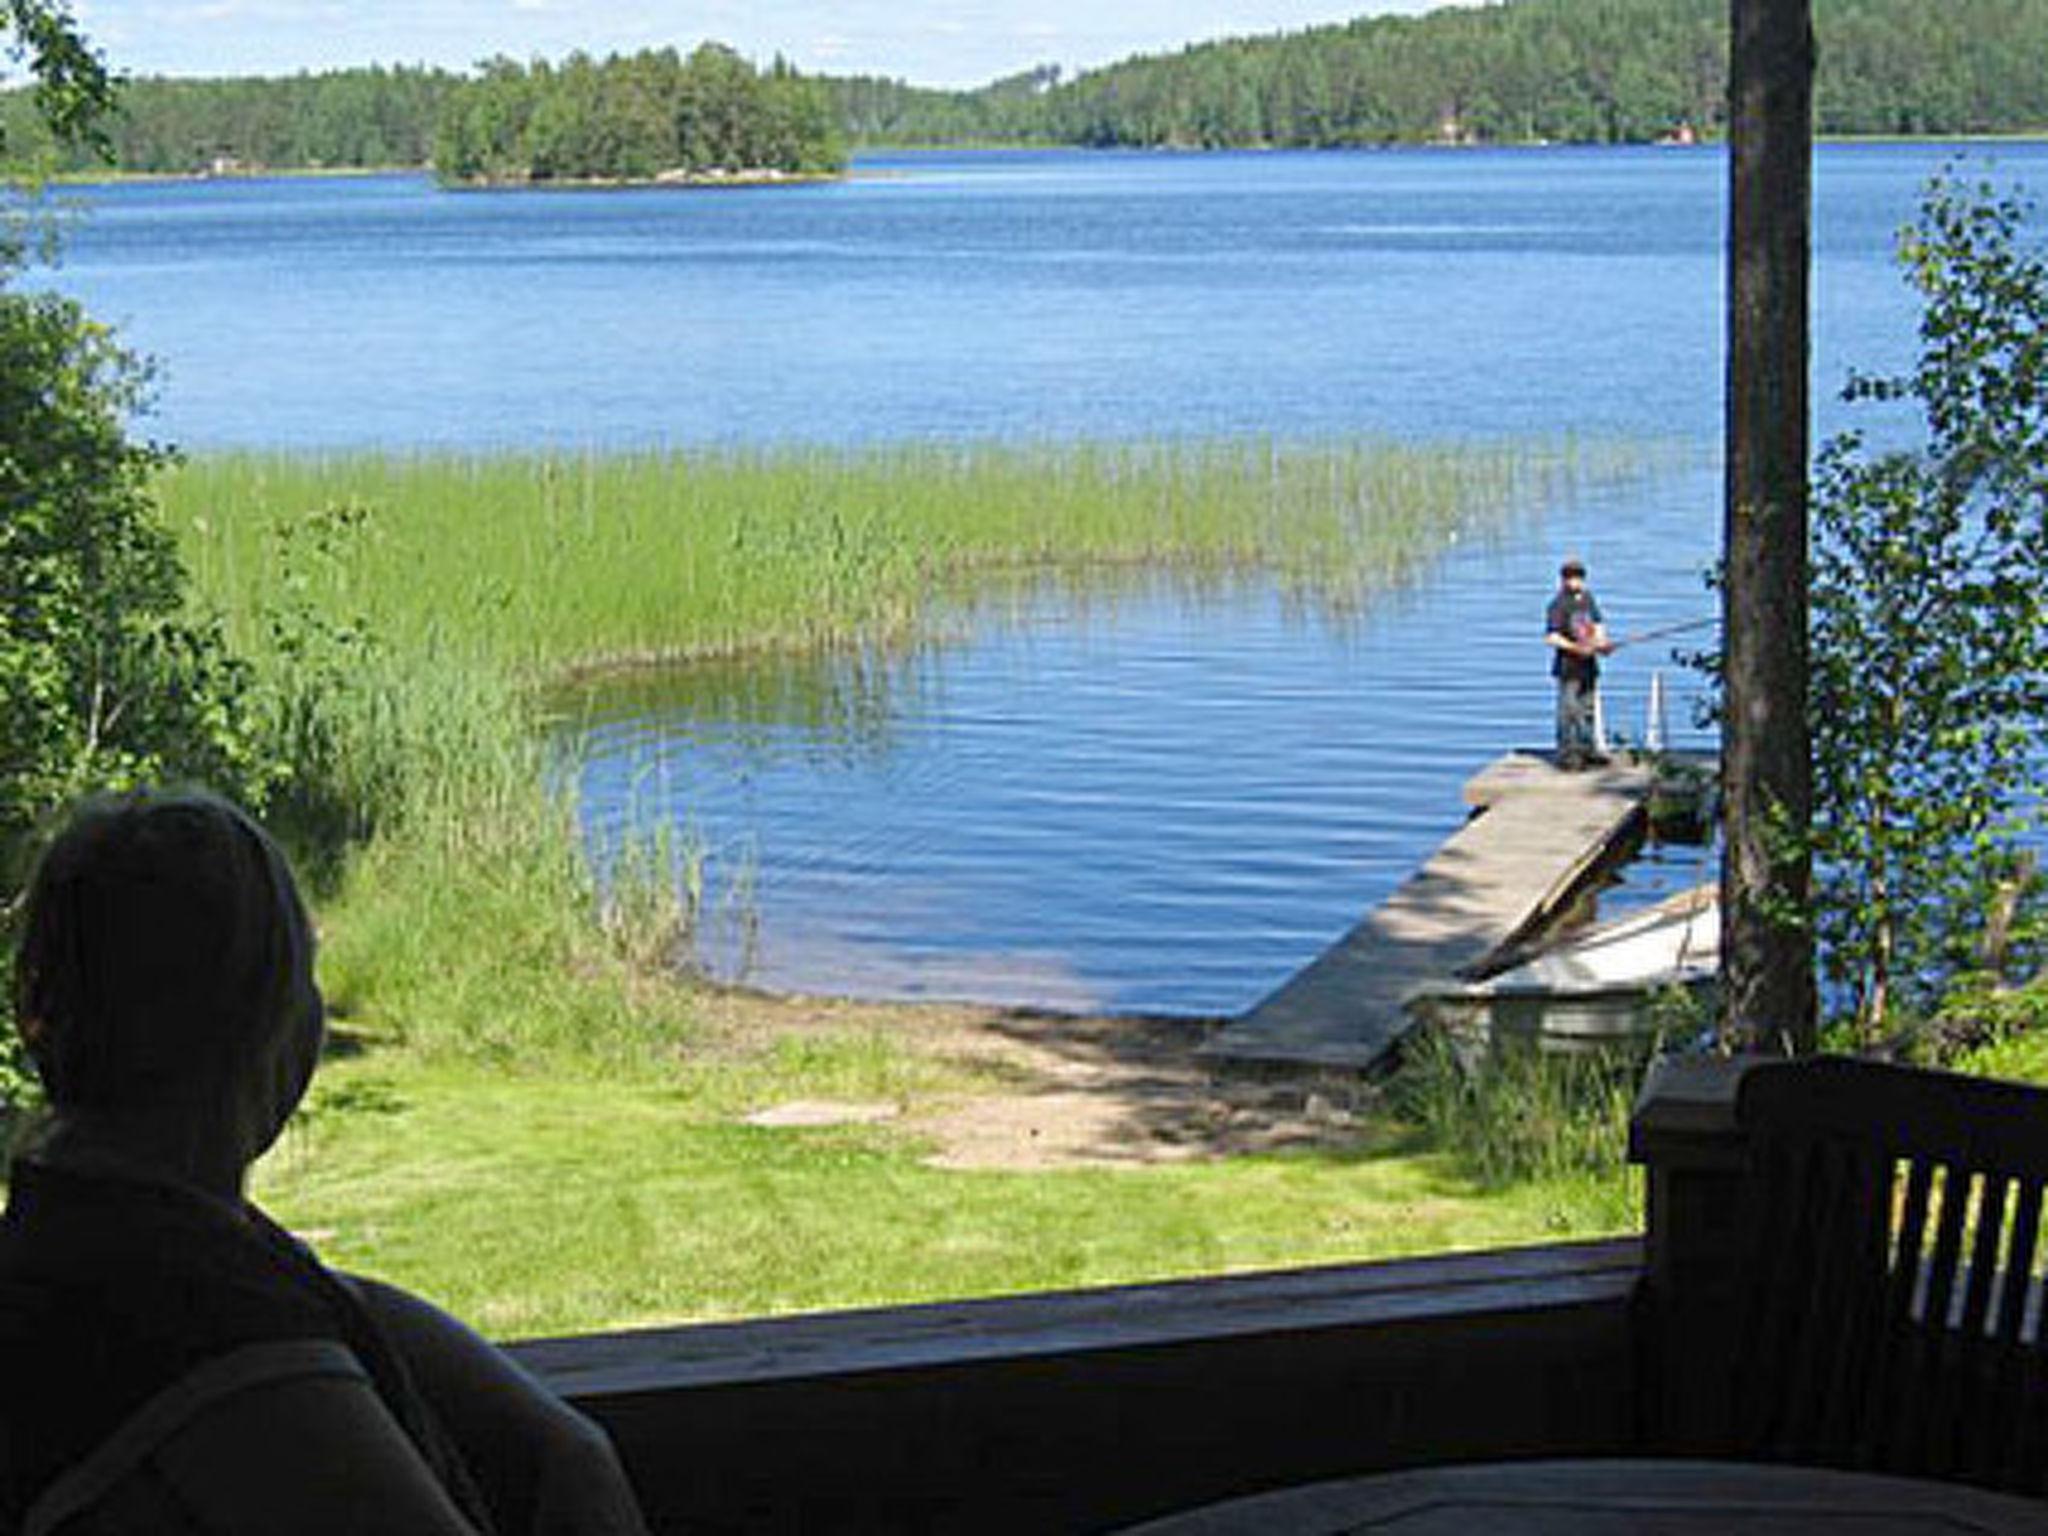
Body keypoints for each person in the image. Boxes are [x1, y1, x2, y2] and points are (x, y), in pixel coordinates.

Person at [0, 790, 650, 1535]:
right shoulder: (201, 1329)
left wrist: (569, 1443)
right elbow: (253, 1329)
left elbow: (315, 1295)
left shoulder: (86, 1239)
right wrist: (576, 1457)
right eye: (304, 973)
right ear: (263, 1025)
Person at [1544, 557, 1613, 770]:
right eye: (1570, 577)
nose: (1574, 581)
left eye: (1578, 577)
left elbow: (1598, 623)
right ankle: (1567, 754)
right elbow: (1551, 637)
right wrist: (1576, 648)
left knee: (1588, 708)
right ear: (1563, 579)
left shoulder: (1588, 599)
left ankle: (1588, 750)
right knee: (1569, 710)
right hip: (1568, 667)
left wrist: (1601, 643)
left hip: (1589, 665)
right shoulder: (1558, 605)